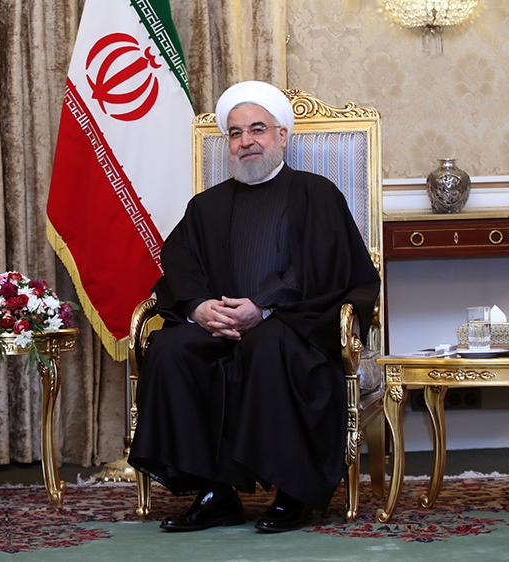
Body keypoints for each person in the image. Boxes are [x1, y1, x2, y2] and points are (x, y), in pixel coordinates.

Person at [127, 81, 380, 533]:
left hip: (294, 324)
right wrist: (201, 308)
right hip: (219, 327)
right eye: (237, 133)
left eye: (257, 130)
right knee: (171, 350)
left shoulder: (315, 194)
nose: (247, 142)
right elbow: (179, 266)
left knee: (267, 347)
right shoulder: (206, 206)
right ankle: (213, 492)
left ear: (282, 135)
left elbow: (328, 271)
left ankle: (293, 492)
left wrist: (261, 308)